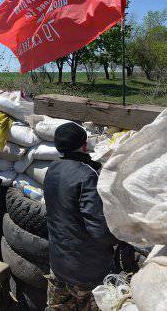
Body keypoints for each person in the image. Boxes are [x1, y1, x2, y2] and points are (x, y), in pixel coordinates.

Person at [43, 122, 119, 311]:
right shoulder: (87, 175)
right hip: (85, 271)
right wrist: (121, 238)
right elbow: (99, 230)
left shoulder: (52, 169)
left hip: (58, 263)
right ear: (84, 145)